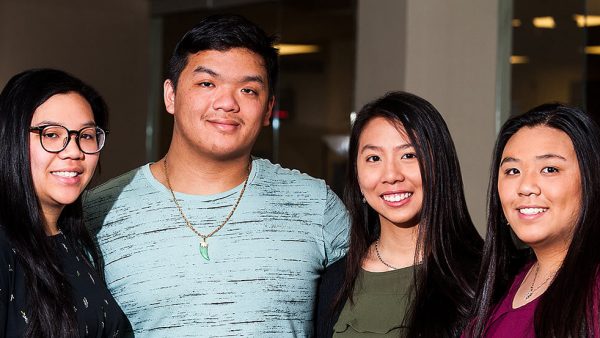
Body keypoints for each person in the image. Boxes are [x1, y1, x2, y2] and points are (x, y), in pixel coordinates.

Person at [83, 14, 349, 337]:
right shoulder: (97, 212)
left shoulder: (315, 205)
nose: (226, 103)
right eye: (207, 83)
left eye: (249, 90)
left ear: (268, 109)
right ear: (171, 95)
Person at [316, 91, 483, 337]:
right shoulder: (335, 281)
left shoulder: (483, 277)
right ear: (357, 176)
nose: (391, 175)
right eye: (374, 158)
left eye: (409, 155)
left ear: (438, 164)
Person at [0, 69, 128, 337]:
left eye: (86, 135)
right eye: (51, 134)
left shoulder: (76, 243)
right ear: (11, 138)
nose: (74, 151)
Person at [464, 103, 600, 337]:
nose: (525, 187)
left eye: (549, 169)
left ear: (590, 180)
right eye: (513, 171)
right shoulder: (500, 285)